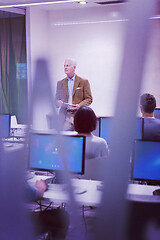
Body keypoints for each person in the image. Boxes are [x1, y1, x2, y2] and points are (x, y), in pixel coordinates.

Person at [55, 58, 93, 131]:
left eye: (68, 66)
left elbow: (89, 99)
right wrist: (58, 103)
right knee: (64, 139)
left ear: (74, 67)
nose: (65, 67)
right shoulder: (60, 83)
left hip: (79, 115)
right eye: (64, 66)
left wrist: (79, 106)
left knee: (80, 138)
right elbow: (55, 101)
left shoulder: (83, 82)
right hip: (65, 116)